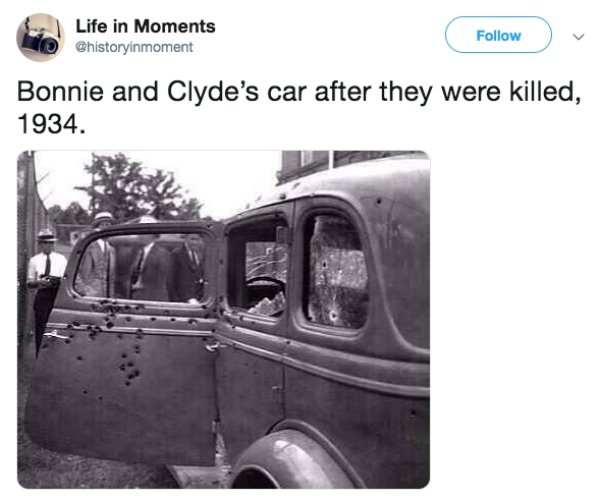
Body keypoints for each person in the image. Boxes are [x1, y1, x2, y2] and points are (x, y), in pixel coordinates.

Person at [27, 228, 67, 357]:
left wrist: (57, 281)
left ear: (53, 244)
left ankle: (55, 356)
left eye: (50, 243)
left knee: (56, 326)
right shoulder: (34, 260)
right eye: (44, 243)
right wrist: (39, 283)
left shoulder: (61, 259)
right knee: (41, 327)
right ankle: (40, 355)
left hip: (57, 295)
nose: (47, 246)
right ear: (40, 244)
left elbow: (66, 278)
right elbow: (29, 282)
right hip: (42, 295)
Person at [75, 211, 116, 297]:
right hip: (90, 296)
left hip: (107, 297)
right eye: (104, 225)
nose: (107, 228)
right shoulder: (87, 245)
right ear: (96, 228)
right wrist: (84, 291)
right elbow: (74, 272)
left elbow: (111, 277)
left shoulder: (111, 249)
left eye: (109, 225)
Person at [128, 232, 171, 301]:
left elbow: (162, 280)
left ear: (153, 236)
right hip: (134, 297)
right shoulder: (135, 251)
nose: (141, 235)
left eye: (145, 233)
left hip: (152, 298)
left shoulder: (162, 254)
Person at [169, 233, 206, 303]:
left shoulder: (203, 253)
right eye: (192, 239)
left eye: (198, 239)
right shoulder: (176, 254)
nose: (195, 242)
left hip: (201, 300)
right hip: (182, 301)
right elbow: (171, 281)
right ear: (185, 238)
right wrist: (176, 302)